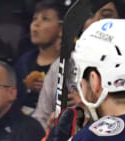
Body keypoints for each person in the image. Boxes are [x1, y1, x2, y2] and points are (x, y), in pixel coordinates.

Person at [32, 1, 119, 130]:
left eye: (106, 15)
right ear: (82, 25)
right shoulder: (63, 64)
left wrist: (88, 109)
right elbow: (41, 117)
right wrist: (52, 131)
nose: (97, 21)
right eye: (89, 16)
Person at [13, 0, 63, 112]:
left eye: (45, 19)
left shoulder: (66, 64)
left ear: (61, 29)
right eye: (35, 18)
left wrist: (48, 90)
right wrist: (26, 88)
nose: (36, 24)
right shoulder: (24, 61)